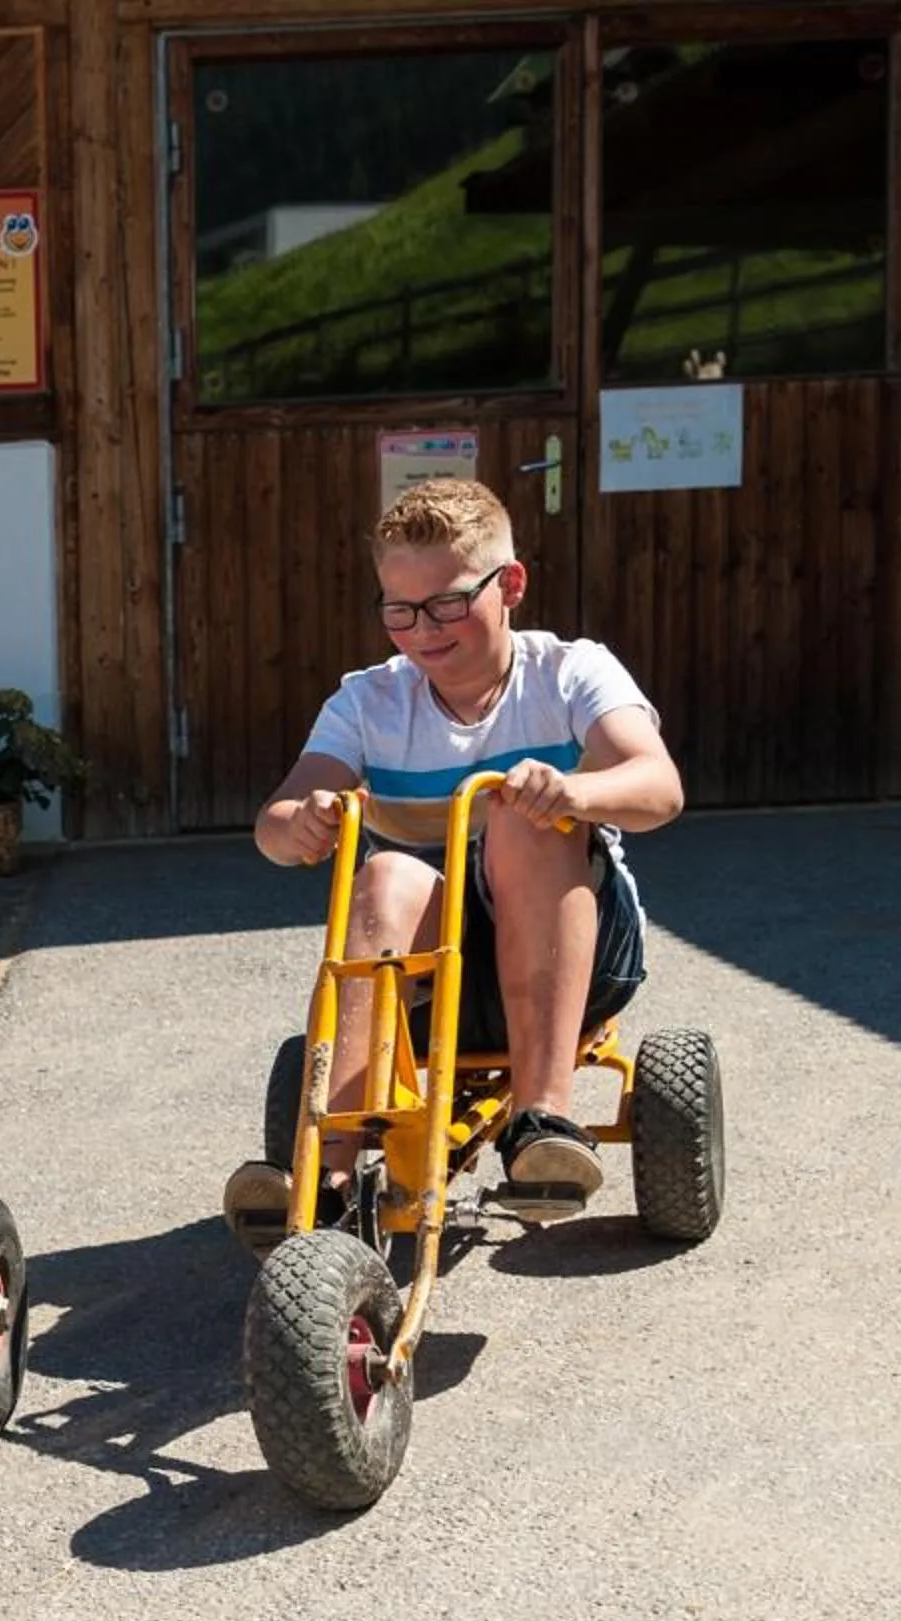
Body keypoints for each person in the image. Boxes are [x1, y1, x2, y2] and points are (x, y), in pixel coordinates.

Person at [230, 476, 685, 1228]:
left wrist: (573, 792)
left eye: (447, 604)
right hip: (435, 980)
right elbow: (276, 818)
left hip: (579, 952)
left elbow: (659, 787)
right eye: (399, 611)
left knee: (517, 816)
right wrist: (300, 822)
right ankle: (326, 1172)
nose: (422, 630)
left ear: (510, 585)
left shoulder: (569, 672)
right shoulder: (368, 701)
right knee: (382, 872)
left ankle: (543, 1123)